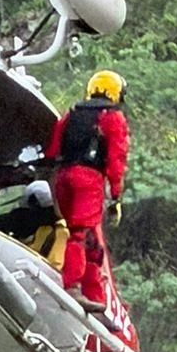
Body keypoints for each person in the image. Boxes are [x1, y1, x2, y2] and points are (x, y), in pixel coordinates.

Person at [46, 71, 128, 310]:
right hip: (88, 181)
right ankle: (72, 287)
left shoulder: (71, 115)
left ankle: (96, 299)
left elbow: (52, 152)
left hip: (63, 177)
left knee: (89, 240)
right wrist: (116, 197)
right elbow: (116, 160)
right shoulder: (112, 118)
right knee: (80, 235)